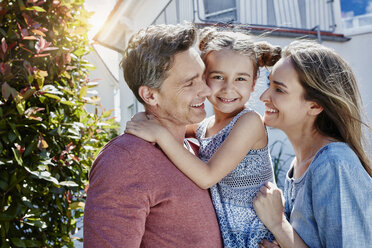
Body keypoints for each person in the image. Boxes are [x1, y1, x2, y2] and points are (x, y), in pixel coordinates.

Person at [125, 28, 282, 248]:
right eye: (218, 77)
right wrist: (146, 115)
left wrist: (158, 133)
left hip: (257, 237)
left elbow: (207, 177)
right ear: (204, 79)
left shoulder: (250, 122)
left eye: (241, 79)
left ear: (254, 83)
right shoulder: (206, 126)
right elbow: (170, 121)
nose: (228, 88)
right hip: (231, 237)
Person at [83, 23, 223, 247]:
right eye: (190, 83)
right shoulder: (124, 160)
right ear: (150, 95)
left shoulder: (198, 148)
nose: (206, 91)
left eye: (203, 77)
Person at [253, 40, 372, 248]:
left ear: (315, 105)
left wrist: (279, 224)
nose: (264, 97)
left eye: (279, 90)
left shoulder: (334, 164)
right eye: (268, 84)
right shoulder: (298, 166)